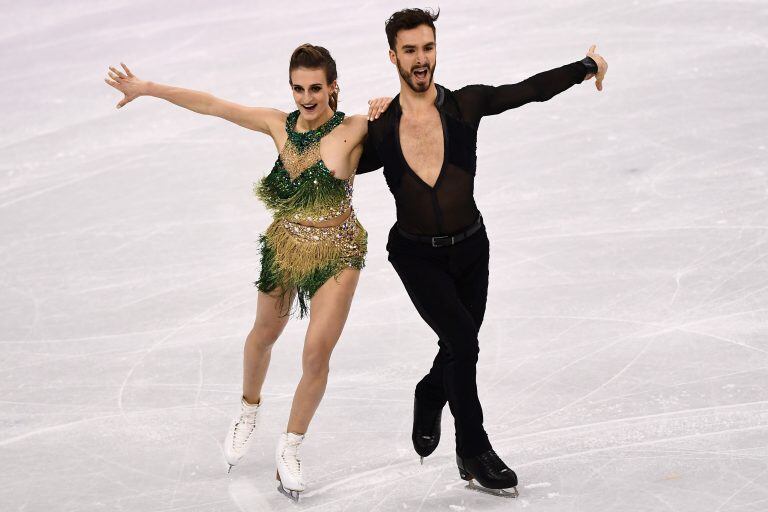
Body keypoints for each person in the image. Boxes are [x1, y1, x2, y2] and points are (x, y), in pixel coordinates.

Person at [104, 44, 391, 502]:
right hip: (286, 245)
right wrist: (148, 88)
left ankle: (291, 446)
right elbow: (215, 106)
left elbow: (412, 112)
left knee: (316, 353)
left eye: (316, 87)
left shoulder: (355, 127)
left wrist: (387, 102)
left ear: (333, 86)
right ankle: (248, 408)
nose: (307, 97)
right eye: (299, 88)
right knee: (263, 335)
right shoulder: (278, 124)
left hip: (339, 250)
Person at [357, 8, 608, 498]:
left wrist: (585, 66)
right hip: (416, 257)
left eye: (427, 47)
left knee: (459, 343)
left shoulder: (464, 105)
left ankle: (430, 393)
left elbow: (527, 90)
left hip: (471, 249)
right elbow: (334, 162)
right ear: (393, 57)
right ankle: (474, 450)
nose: (421, 59)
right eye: (409, 50)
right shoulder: (381, 129)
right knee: (464, 344)